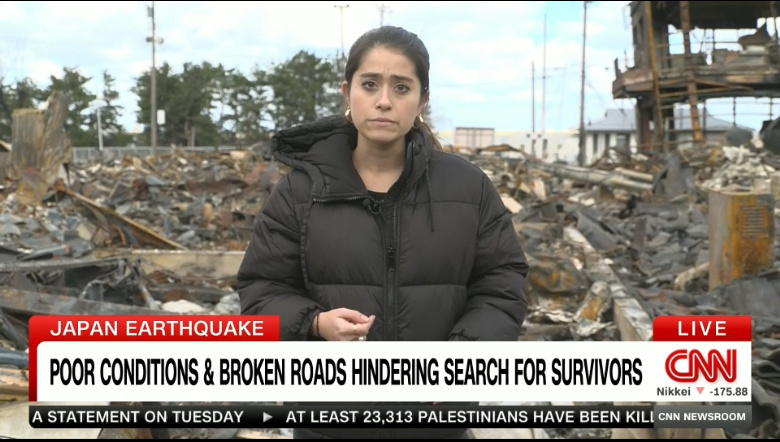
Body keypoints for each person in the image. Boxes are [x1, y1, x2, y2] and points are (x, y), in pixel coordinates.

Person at [237, 25, 529, 439]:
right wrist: (315, 324)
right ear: (347, 92)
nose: (384, 101)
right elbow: (260, 289)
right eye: (370, 84)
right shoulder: (299, 193)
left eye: (402, 87)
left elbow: (502, 286)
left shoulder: (468, 189)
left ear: (422, 100)